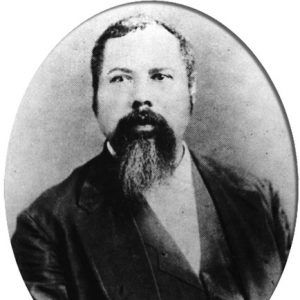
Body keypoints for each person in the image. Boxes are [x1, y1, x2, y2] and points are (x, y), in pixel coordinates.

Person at [11, 15, 291, 300]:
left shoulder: (260, 199)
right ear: (95, 95)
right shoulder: (46, 228)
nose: (141, 96)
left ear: (190, 90)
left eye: (160, 76)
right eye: (120, 78)